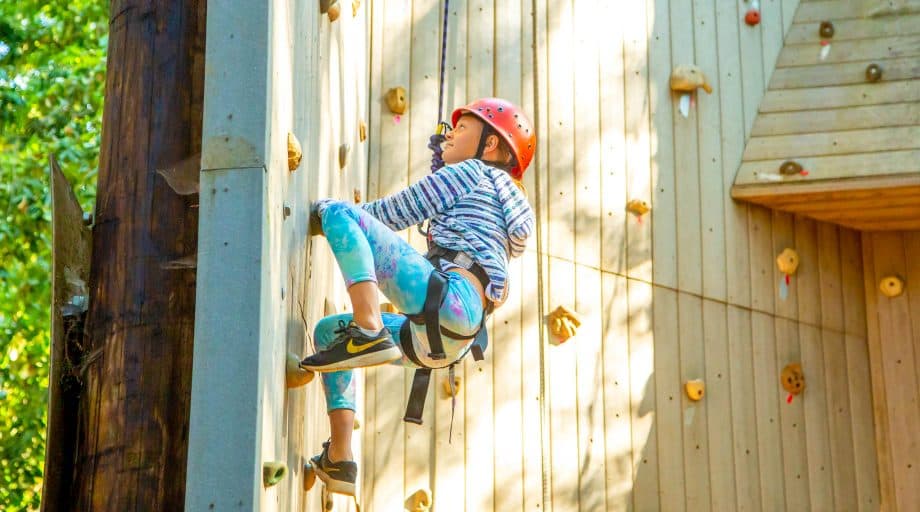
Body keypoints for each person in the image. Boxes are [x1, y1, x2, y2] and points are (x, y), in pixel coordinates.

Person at [299, 97, 536, 496]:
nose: (449, 134)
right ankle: (340, 459)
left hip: (446, 302)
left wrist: (325, 213)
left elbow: (389, 214)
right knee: (327, 334)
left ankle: (369, 326)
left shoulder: (472, 171)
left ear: (489, 145)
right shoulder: (501, 207)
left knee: (341, 213)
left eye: (462, 129)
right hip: (447, 341)